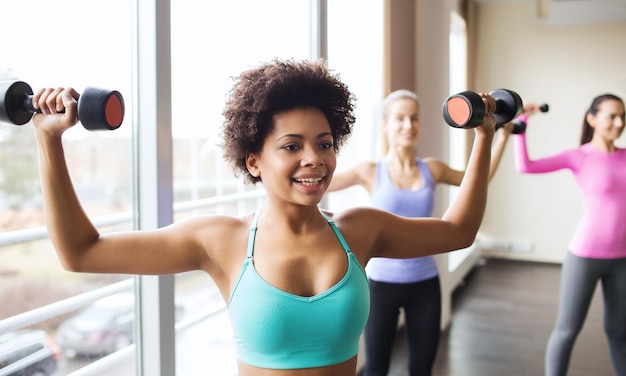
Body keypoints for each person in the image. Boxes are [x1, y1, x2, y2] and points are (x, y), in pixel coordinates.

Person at [31, 58, 496, 376]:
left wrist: (486, 136)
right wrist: (49, 141)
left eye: (325, 143)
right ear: (254, 160)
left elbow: (459, 230)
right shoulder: (221, 240)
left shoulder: (360, 229)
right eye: (292, 146)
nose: (314, 158)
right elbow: (81, 252)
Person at [326, 89, 513, 376]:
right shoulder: (369, 171)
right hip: (380, 286)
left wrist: (500, 136)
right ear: (385, 125)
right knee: (376, 369)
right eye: (399, 119)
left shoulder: (432, 169)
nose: (408, 126)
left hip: (424, 283)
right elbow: (315, 184)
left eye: (414, 119)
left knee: (422, 370)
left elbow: (480, 178)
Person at [511, 95, 626, 376]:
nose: (619, 123)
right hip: (585, 256)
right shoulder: (579, 156)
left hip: (623, 258)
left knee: (619, 333)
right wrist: (521, 123)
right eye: (612, 116)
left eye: (622, 116)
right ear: (592, 118)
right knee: (567, 331)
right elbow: (526, 166)